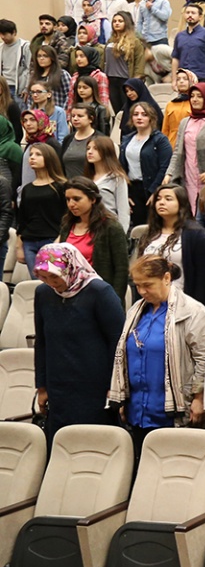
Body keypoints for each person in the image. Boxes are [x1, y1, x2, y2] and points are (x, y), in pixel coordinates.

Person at [107, 255, 205, 460]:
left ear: (166, 278)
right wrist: (123, 398)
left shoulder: (193, 312)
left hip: (178, 413)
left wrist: (199, 398)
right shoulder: (135, 312)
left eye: (148, 285)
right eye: (138, 286)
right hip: (139, 410)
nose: (142, 291)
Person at [33, 243, 125, 444]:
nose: (51, 283)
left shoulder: (100, 292)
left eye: (55, 277)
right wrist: (42, 387)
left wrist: (115, 385)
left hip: (95, 386)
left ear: (70, 268)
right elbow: (42, 342)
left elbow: (117, 342)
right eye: (45, 277)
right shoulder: (43, 294)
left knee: (92, 444)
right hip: (58, 385)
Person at [136, 183, 205, 305]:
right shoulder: (149, 234)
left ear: (181, 204)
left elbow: (202, 280)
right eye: (158, 199)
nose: (161, 202)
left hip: (181, 303)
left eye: (168, 199)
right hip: (149, 302)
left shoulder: (195, 235)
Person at [57, 177, 128, 300]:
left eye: (77, 199)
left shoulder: (111, 227)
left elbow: (121, 269)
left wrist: (115, 300)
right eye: (68, 200)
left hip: (99, 295)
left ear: (93, 199)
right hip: (70, 294)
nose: (71, 204)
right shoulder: (67, 225)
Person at [165, 83, 205, 216]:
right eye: (192, 96)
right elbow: (177, 152)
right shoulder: (185, 122)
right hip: (188, 177)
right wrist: (169, 173)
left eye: (199, 96)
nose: (194, 99)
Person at [17, 143, 66, 274]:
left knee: (52, 282)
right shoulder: (27, 189)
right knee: (36, 281)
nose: (32, 157)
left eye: (38, 154)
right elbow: (22, 219)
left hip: (52, 239)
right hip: (29, 242)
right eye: (31, 154)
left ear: (49, 158)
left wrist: (61, 238)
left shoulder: (61, 186)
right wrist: (19, 246)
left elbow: (68, 216)